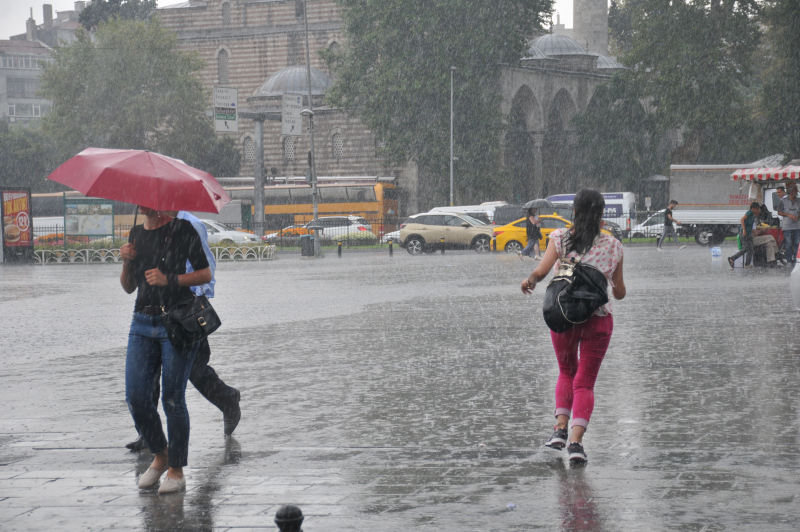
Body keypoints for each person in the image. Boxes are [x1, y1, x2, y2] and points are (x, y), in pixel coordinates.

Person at [521, 189, 626, 463]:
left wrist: (530, 281)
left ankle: (559, 430)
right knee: (585, 382)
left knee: (566, 372)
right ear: (603, 214)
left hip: (563, 316)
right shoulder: (613, 245)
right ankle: (576, 444)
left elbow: (541, 272)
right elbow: (620, 291)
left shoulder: (559, 239)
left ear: (575, 213)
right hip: (598, 319)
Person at [126, 211, 241, 452]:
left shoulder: (189, 225)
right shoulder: (142, 230)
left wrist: (189, 301)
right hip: (154, 315)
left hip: (185, 313)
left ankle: (227, 398)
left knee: (195, 371)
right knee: (151, 374)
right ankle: (148, 433)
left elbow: (206, 268)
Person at [120, 206, 212, 494]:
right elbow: (128, 287)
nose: (139, 202)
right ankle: (160, 455)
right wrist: (125, 262)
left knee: (172, 399)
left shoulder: (182, 230)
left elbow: (205, 273)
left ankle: (176, 469)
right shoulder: (136, 234)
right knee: (136, 396)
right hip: (142, 322)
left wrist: (168, 279)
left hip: (176, 321)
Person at [727, 202, 765, 268]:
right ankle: (732, 258)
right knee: (746, 248)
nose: (758, 210)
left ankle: (747, 264)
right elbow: (742, 220)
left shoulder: (752, 215)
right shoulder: (749, 212)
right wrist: (744, 230)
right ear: (753, 208)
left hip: (749, 233)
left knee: (751, 249)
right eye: (757, 209)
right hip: (744, 233)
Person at [778, 184, 800, 266]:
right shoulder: (783, 201)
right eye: (795, 190)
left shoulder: (798, 201)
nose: (797, 191)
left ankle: (796, 260)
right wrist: (788, 215)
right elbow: (779, 212)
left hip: (797, 225)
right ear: (791, 192)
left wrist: (798, 216)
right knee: (788, 243)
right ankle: (789, 261)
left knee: (797, 243)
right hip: (787, 226)